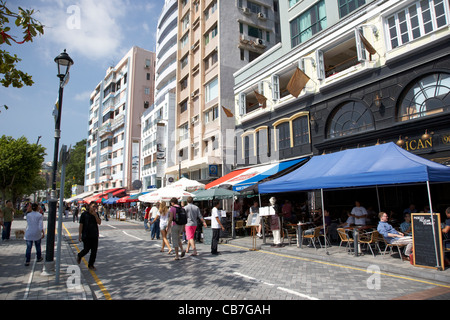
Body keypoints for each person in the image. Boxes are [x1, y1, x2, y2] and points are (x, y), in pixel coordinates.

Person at [77, 201, 102, 270]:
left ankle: (91, 265)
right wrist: (80, 235)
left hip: (94, 235)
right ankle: (80, 255)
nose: (94, 208)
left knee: (94, 251)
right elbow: (81, 225)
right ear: (90, 206)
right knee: (86, 249)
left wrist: (96, 216)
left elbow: (99, 222)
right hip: (86, 235)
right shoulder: (84, 214)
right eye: (93, 206)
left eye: (96, 207)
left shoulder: (96, 214)